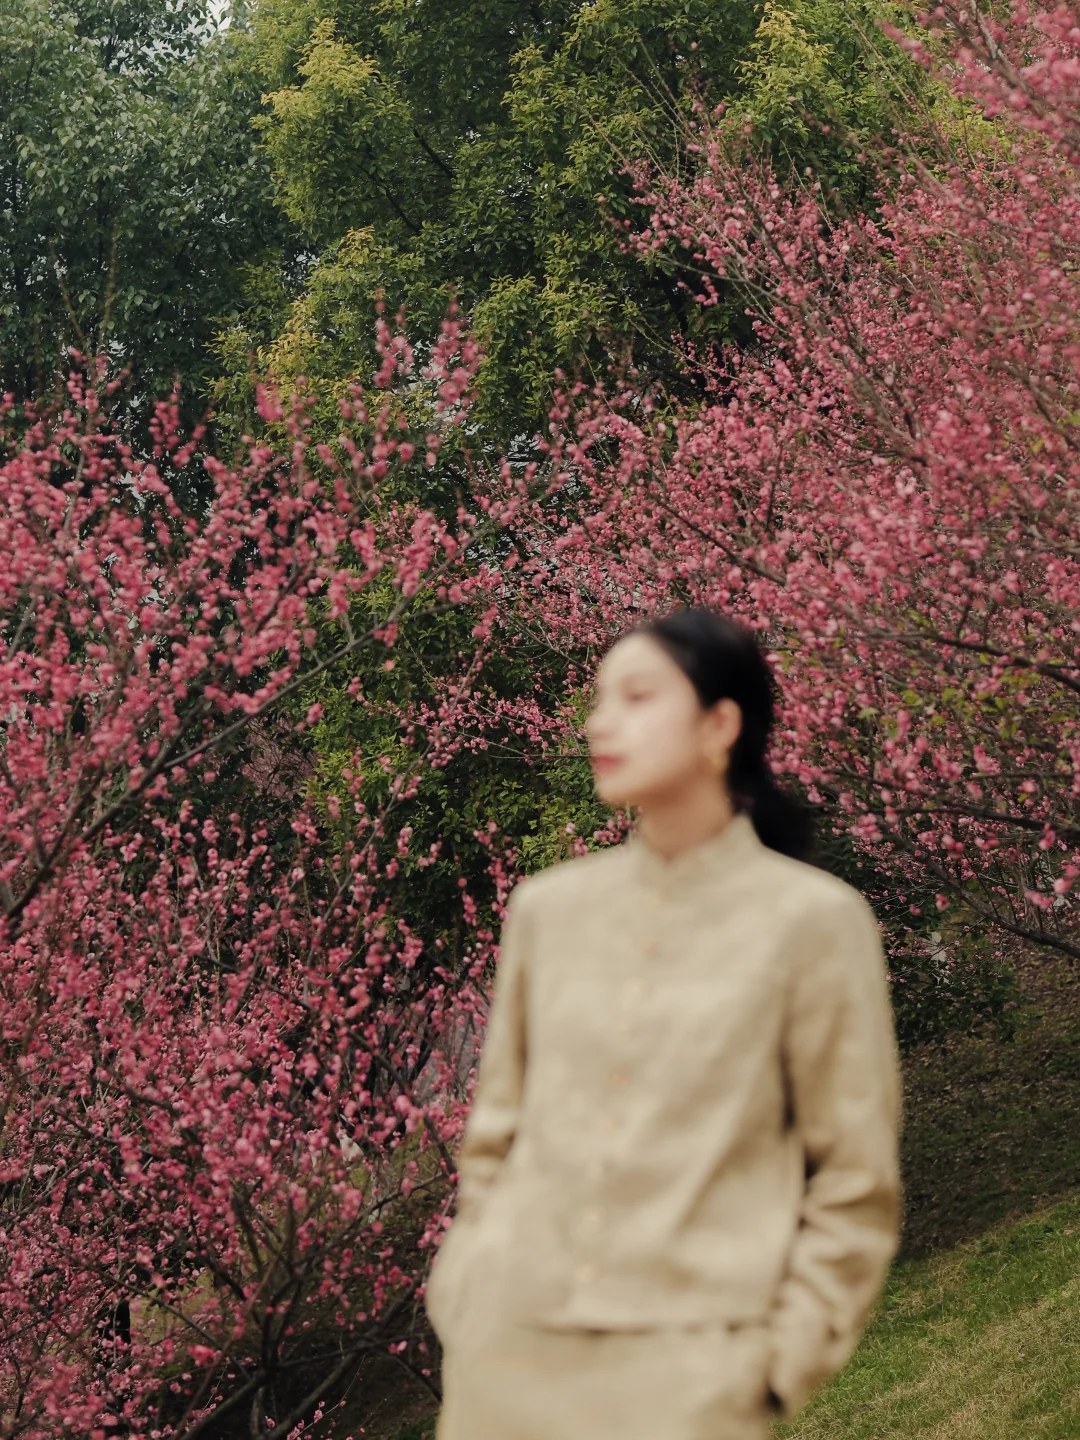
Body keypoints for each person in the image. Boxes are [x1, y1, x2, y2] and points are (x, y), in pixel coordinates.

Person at [425, 608, 901, 1440]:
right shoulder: (547, 911)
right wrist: (466, 1287)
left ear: (720, 725)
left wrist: (773, 1368)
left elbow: (855, 1181)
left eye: (637, 697)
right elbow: (496, 1136)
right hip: (504, 1367)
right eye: (599, 700)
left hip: (690, 1385)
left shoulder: (814, 923)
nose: (600, 723)